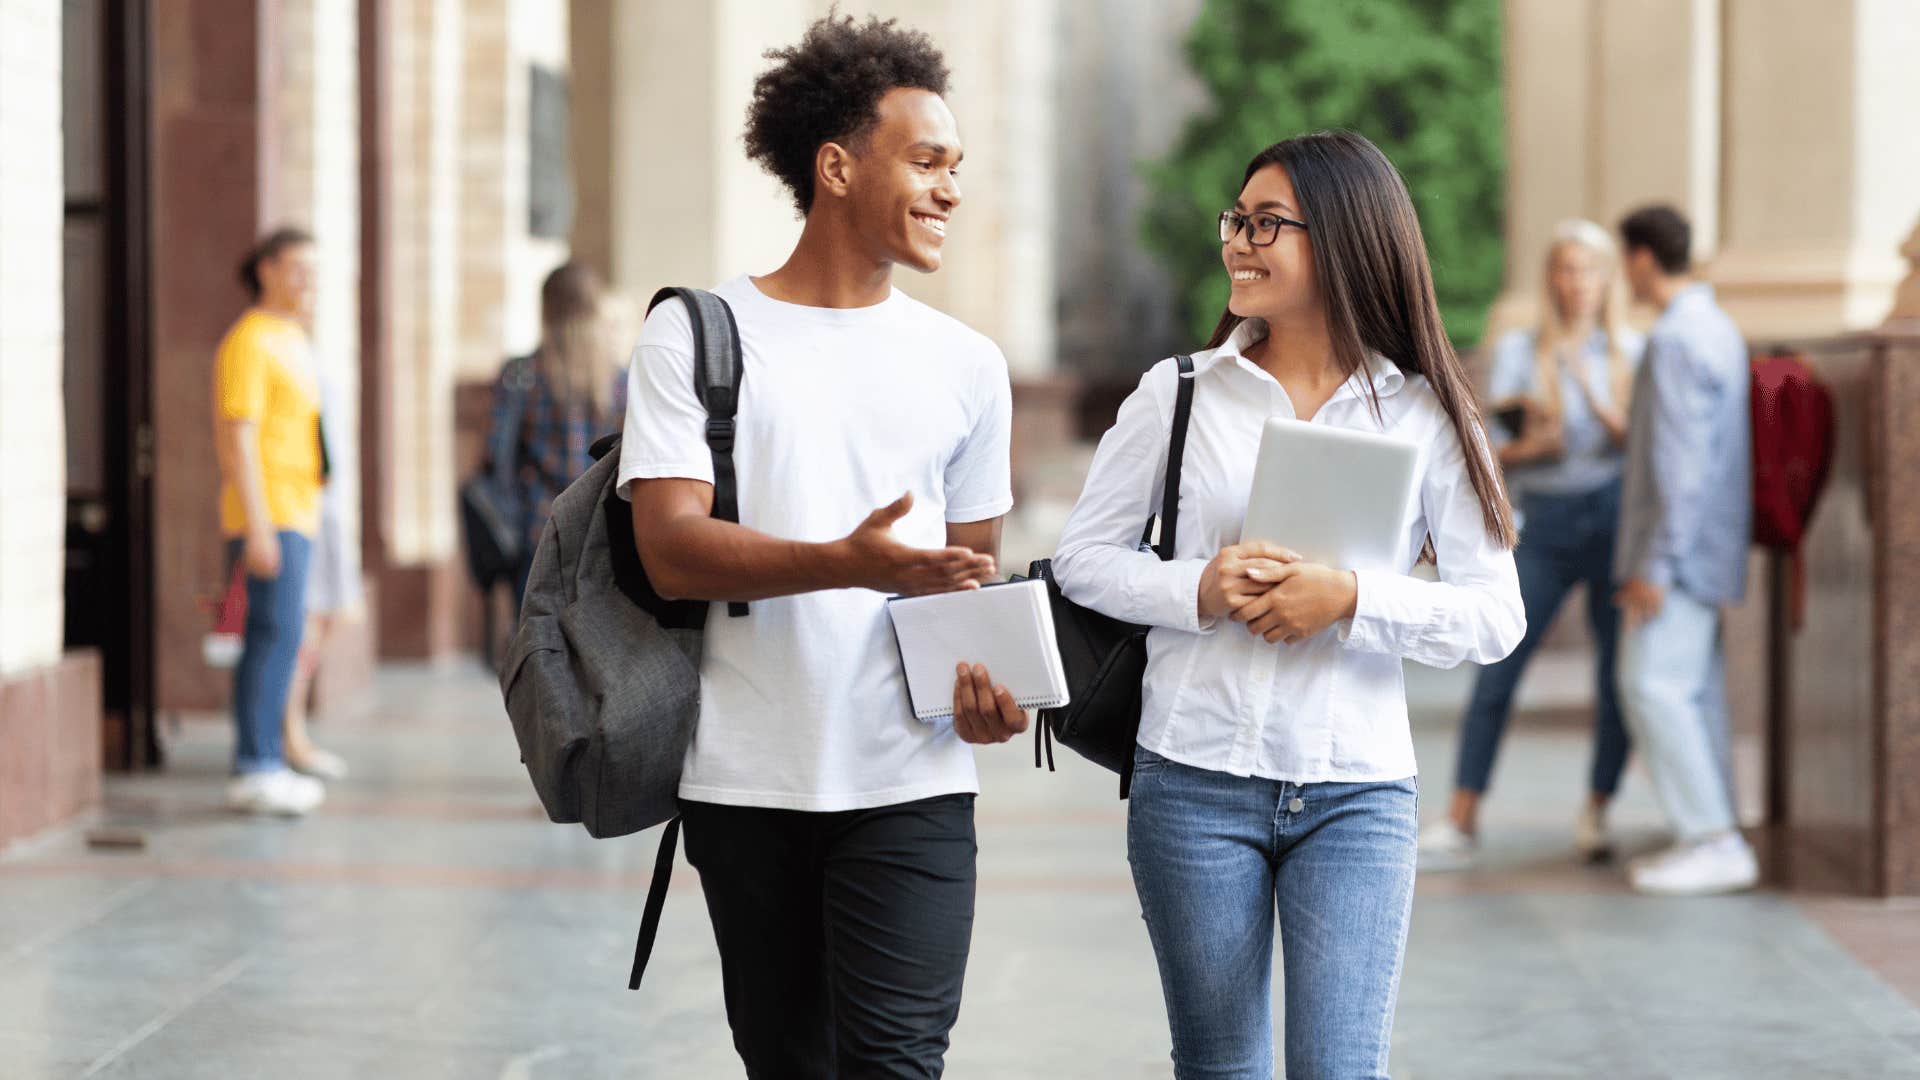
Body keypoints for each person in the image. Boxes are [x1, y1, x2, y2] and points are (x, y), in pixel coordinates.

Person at [1053, 130, 1524, 1078]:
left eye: (1268, 223)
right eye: (1236, 219)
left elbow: (1494, 613)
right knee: (1221, 1065)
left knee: (1341, 1069)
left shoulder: (1429, 415)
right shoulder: (1177, 394)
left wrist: (1351, 599)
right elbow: (1082, 561)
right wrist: (1199, 586)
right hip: (1191, 781)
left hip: (1357, 789)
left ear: (1347, 239)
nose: (1238, 240)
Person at [617, 14, 1028, 1076]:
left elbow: (965, 582)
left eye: (957, 166)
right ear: (836, 166)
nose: (949, 187)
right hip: (746, 784)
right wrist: (847, 561)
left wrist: (990, 690)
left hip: (914, 784)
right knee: (787, 1064)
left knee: (897, 1063)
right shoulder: (695, 334)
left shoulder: (967, 365)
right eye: (926, 160)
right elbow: (670, 548)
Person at [1420, 219, 1644, 866]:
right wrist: (1533, 447)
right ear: (1551, 278)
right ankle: (1461, 817)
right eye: (1565, 269)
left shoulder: (1634, 350)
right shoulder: (1521, 349)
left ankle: (1597, 811)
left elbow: (1646, 446)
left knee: (1612, 677)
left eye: (1589, 269)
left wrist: (1597, 402)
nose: (1577, 282)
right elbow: (1490, 451)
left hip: (1610, 520)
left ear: (1607, 280)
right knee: (1497, 665)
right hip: (1544, 520)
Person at [1612, 204, 1756, 896]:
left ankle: (1713, 839)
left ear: (1641, 258)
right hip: (1709, 549)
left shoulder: (1673, 339)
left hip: (1679, 556)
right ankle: (1710, 833)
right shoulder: (1717, 327)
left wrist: (1653, 566)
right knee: (1689, 693)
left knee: (1652, 686)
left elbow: (1678, 467)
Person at [212, 227, 328, 816]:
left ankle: (265, 761)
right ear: (266, 269)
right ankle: (257, 764)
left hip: (297, 511)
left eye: (314, 268)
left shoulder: (291, 338)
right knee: (270, 637)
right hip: (269, 514)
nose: (308, 279)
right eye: (297, 267)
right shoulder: (250, 342)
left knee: (282, 637)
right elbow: (239, 435)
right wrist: (256, 525)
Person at [483, 260, 631, 611]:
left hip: (537, 534)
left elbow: (495, 457)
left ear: (546, 309)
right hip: (602, 539)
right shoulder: (621, 382)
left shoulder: (520, 374)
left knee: (538, 649)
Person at [281, 353, 363, 783]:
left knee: (325, 620)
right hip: (302, 509)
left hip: (324, 509)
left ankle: (291, 727)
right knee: (303, 625)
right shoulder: (273, 353)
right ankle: (289, 730)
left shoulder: (307, 357)